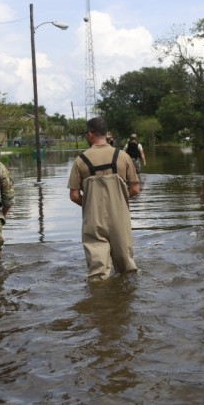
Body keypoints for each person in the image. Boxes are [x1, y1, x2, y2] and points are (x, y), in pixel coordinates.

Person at [68, 117, 140, 282]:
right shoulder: (122, 156)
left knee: (97, 273)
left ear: (90, 134)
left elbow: (74, 195)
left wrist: (90, 205)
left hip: (93, 220)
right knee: (127, 270)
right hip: (119, 218)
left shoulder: (80, 160)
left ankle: (98, 303)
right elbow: (135, 188)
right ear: (106, 134)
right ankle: (127, 302)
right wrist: (118, 200)